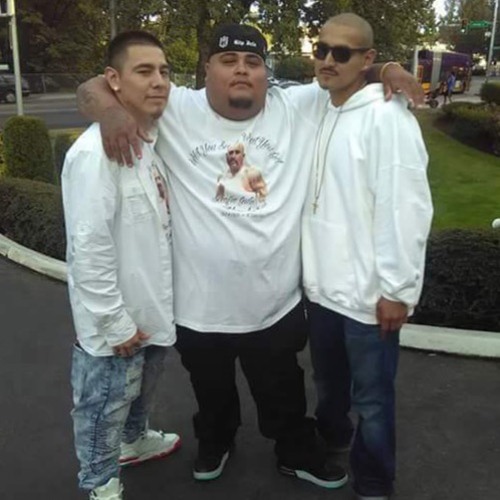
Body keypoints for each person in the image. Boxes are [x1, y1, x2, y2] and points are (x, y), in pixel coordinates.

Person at [76, 22, 424, 489]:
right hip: (199, 308)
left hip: (274, 305)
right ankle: (216, 440)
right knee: (211, 392)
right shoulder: (176, 107)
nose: (241, 70)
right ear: (206, 71)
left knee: (283, 393)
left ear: (266, 73)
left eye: (252, 62)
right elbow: (94, 85)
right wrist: (109, 113)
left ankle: (294, 451)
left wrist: (389, 68)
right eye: (228, 61)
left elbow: (346, 69)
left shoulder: (298, 104)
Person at [301, 14, 433, 500]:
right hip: (322, 292)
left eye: (342, 53)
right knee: (329, 387)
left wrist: (397, 290)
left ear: (367, 59)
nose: (328, 60)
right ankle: (333, 442)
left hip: (369, 298)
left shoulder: (387, 117)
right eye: (321, 49)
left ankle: (375, 482)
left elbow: (406, 208)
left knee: (373, 401)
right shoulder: (319, 106)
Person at [62, 31, 180, 500]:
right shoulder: (96, 155)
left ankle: (135, 441)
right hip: (115, 321)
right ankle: (100, 482)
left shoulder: (145, 140)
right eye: (144, 71)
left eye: (164, 71)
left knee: (137, 395)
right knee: (102, 405)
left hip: (148, 307)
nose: (159, 81)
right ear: (113, 80)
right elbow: (88, 247)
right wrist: (114, 321)